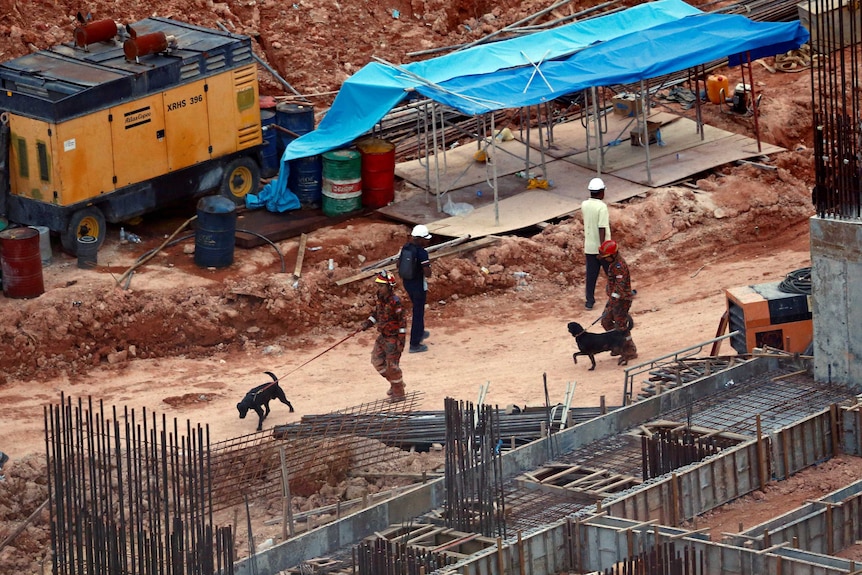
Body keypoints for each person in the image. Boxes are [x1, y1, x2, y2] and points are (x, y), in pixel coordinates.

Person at [361, 270, 408, 401]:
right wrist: (367, 324)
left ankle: (399, 393)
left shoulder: (395, 302)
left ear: (389, 287)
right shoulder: (380, 301)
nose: (379, 288)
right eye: (379, 286)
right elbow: (376, 315)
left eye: (381, 286)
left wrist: (401, 341)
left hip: (393, 339)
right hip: (383, 337)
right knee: (377, 361)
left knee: (392, 366)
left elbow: (402, 323)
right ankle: (396, 384)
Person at [598, 239, 638, 363]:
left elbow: (620, 287)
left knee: (621, 326)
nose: (605, 259)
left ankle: (629, 350)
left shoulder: (620, 266)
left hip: (622, 300)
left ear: (613, 255)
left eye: (607, 256)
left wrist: (613, 299)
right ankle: (616, 345)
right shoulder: (613, 264)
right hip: (614, 299)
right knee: (606, 321)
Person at [399, 224, 433, 353]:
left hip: (407, 283)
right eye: (425, 239)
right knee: (418, 312)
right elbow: (427, 272)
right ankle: (415, 344)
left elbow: (399, 264)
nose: (427, 241)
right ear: (419, 239)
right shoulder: (422, 253)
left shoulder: (406, 247)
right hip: (418, 285)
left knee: (417, 308)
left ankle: (420, 332)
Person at [582, 177, 611, 310]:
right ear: (601, 192)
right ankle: (622, 294)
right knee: (613, 273)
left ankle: (589, 301)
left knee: (591, 275)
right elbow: (602, 228)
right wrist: (602, 249)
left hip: (589, 246)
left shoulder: (584, 205)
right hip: (603, 248)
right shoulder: (602, 207)